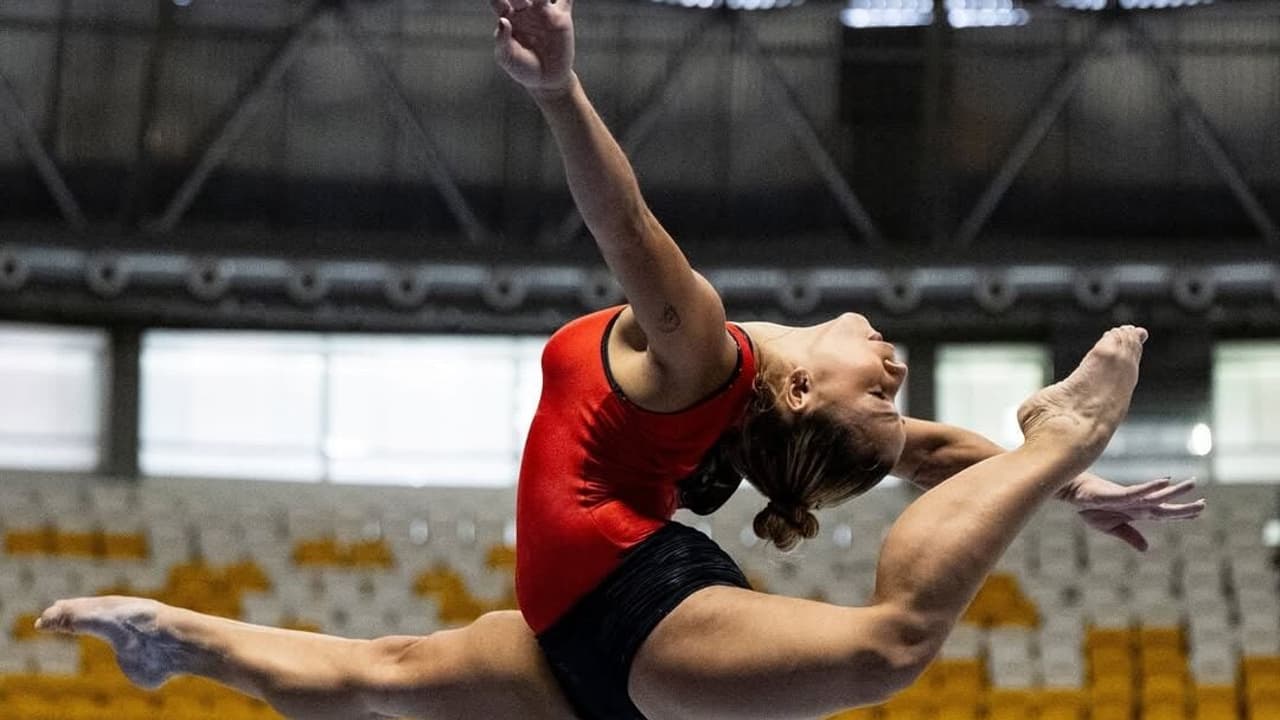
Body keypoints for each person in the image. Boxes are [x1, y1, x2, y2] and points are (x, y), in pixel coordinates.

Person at [37, 2, 1204, 718]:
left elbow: (629, 230)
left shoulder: (713, 355)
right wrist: (1064, 479)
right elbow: (932, 451)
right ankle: (171, 638)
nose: (891, 362)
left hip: (608, 615)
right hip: (607, 629)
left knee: (377, 681)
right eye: (894, 381)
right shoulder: (722, 380)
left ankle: (178, 637)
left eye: (880, 385)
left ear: (800, 389)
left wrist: (558, 93)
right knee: (881, 650)